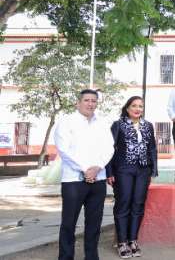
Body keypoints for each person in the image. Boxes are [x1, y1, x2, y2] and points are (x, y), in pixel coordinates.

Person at [55, 89, 114, 260]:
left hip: (98, 180)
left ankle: (91, 257)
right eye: (87, 100)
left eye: (94, 101)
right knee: (68, 223)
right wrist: (85, 169)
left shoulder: (102, 123)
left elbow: (109, 148)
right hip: (73, 181)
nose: (90, 104)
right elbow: (64, 149)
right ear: (78, 103)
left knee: (94, 224)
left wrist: (97, 168)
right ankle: (66, 257)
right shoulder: (66, 122)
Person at [106, 96, 158, 258]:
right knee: (123, 203)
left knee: (138, 204)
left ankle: (133, 240)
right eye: (134, 106)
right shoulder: (118, 125)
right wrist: (109, 172)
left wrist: (153, 169)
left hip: (143, 170)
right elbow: (109, 149)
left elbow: (152, 149)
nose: (137, 109)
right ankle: (122, 242)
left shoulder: (148, 126)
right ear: (127, 108)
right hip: (123, 169)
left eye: (140, 106)